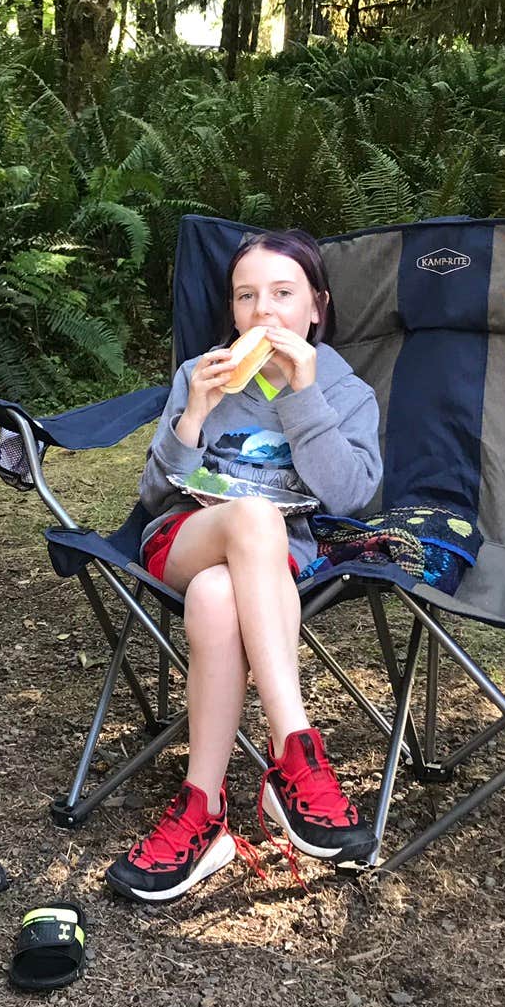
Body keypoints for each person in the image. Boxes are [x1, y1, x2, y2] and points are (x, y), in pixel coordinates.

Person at [105, 229, 383, 903]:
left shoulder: (344, 391)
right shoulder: (203, 374)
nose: (264, 312)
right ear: (232, 310)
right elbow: (154, 494)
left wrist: (301, 393)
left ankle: (202, 811)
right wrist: (194, 412)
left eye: (283, 294)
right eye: (247, 296)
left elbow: (349, 497)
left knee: (214, 597)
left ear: (316, 307)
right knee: (252, 519)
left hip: (280, 562)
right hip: (185, 535)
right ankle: (295, 753)